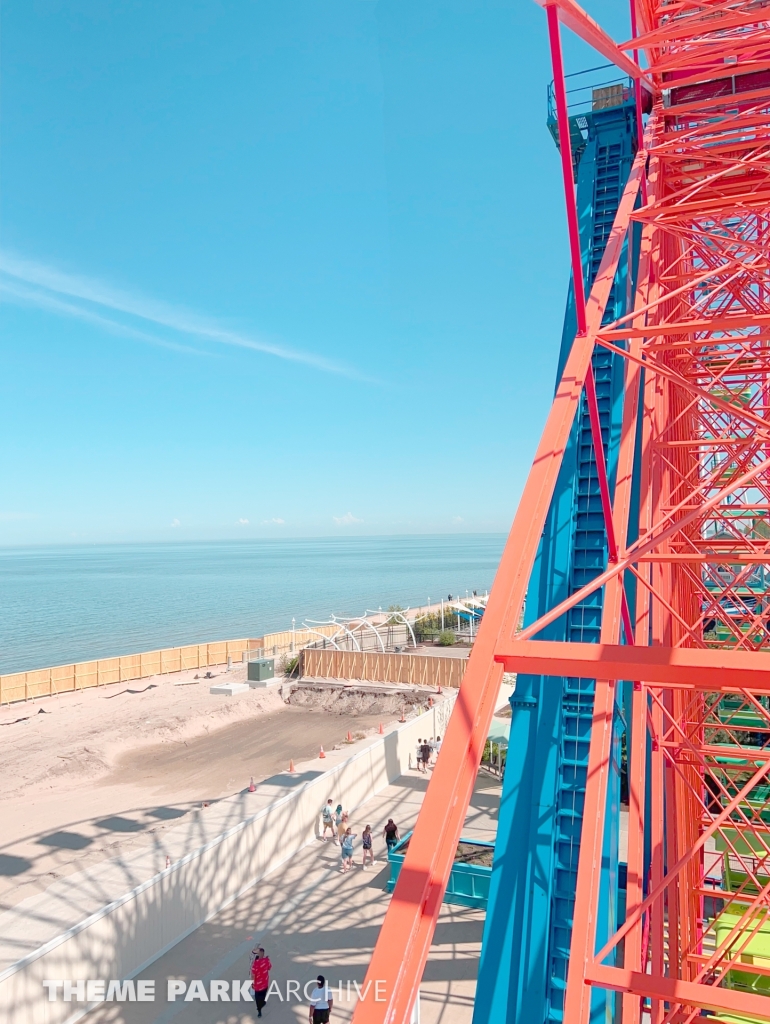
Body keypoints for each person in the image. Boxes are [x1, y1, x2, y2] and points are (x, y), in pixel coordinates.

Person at [251, 947, 272, 1018]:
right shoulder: (266, 960)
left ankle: (259, 1010)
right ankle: (263, 1002)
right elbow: (269, 967)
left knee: (257, 998)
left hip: (257, 985)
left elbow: (253, 975)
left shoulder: (255, 964)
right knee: (263, 995)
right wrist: (267, 959)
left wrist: (253, 983)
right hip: (265, 982)